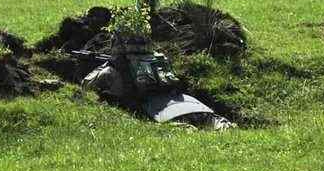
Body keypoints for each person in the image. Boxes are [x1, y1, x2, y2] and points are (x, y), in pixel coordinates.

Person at [81, 36, 233, 130]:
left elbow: (86, 86)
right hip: (180, 101)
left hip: (147, 109)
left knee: (179, 127)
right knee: (210, 119)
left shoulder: (112, 69)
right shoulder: (157, 59)